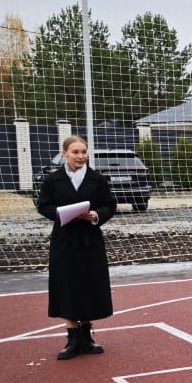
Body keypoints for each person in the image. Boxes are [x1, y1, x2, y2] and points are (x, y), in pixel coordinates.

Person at [36, 135, 117, 360]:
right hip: (65, 239)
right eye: (75, 152)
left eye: (84, 152)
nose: (80, 156)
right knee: (67, 285)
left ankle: (87, 336)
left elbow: (110, 205)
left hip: (90, 239)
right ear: (65, 154)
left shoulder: (97, 179)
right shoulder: (53, 180)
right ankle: (72, 338)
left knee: (89, 284)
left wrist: (95, 215)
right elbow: (43, 205)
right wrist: (61, 214)